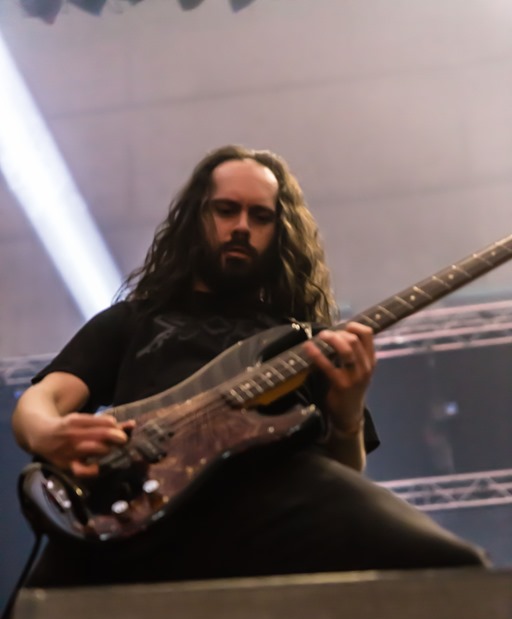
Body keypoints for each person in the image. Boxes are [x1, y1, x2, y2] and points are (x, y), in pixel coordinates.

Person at [11, 144, 489, 586]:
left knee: (455, 568)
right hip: (138, 500)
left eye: (260, 216)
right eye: (226, 210)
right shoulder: (134, 320)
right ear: (196, 218)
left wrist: (347, 414)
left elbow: (345, 471)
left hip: (274, 498)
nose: (242, 226)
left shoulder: (306, 343)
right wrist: (46, 433)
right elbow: (45, 397)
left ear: (279, 232)